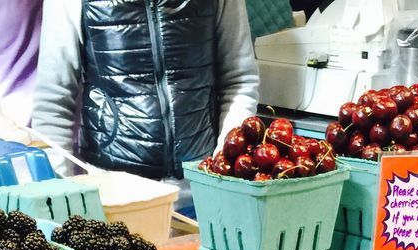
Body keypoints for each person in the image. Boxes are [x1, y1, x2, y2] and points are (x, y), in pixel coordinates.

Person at [32, 0, 260, 181]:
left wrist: (224, 168)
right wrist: (57, 194)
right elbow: (54, 101)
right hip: (112, 193)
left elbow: (239, 80)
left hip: (201, 188)